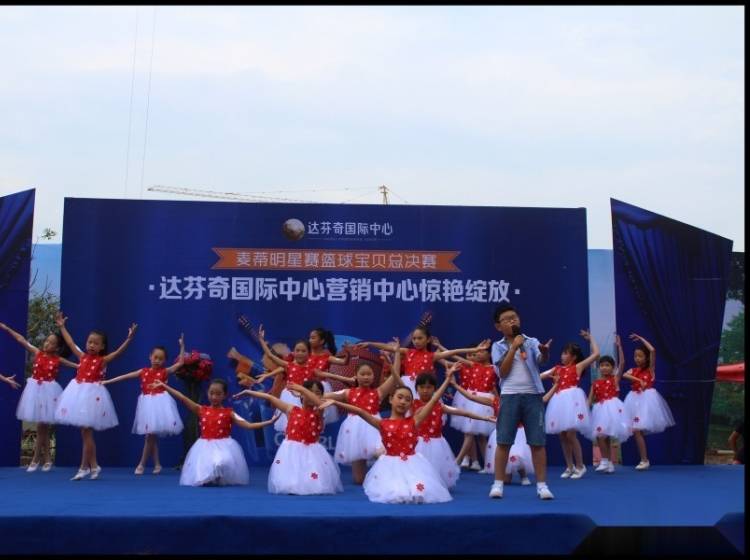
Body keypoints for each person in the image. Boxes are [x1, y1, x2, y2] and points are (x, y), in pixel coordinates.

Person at [321, 365, 455, 504]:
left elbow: (433, 400)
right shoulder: (382, 424)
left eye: (407, 399)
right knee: (396, 493)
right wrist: (336, 402)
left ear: (411, 404)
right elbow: (360, 411)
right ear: (391, 399)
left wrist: (447, 379)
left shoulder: (415, 421)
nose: (403, 402)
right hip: (389, 465)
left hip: (413, 464)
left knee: (419, 491)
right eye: (400, 397)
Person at [53, 312, 137, 481]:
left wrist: (129, 339)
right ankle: (93, 465)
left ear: (102, 347)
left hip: (93, 397)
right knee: (85, 433)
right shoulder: (82, 356)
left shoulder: (102, 360)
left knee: (87, 432)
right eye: (90, 342)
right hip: (78, 394)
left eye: (96, 343)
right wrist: (62, 327)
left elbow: (118, 353)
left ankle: (85, 467)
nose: (91, 345)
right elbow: (70, 342)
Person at [154, 378, 278, 486]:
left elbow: (248, 425)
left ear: (224, 395)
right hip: (204, 446)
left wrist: (268, 422)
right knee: (206, 467)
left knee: (221, 462)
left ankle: (216, 476)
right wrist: (164, 386)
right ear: (207, 393)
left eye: (218, 394)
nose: (214, 397)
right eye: (211, 393)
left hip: (224, 445)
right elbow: (182, 397)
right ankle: (208, 477)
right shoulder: (201, 410)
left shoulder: (229, 413)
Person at [489, 303, 554, 500]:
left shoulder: (531, 341)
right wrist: (513, 348)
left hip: (533, 396)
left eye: (514, 318)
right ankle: (498, 484)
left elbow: (541, 360)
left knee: (537, 442)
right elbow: (502, 372)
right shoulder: (497, 346)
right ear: (498, 326)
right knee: (504, 441)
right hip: (509, 396)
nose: (512, 321)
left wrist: (545, 352)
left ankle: (542, 486)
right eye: (507, 319)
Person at [235, 380, 343, 495]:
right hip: (291, 450)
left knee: (315, 483)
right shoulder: (291, 409)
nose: (313, 395)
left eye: (317, 393)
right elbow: (270, 398)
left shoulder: (319, 412)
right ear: (301, 396)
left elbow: (319, 403)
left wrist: (302, 389)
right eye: (311, 392)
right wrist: (249, 392)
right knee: (291, 481)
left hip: (312, 451)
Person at [318, 337, 401, 484]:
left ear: (373, 376)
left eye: (369, 374)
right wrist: (303, 392)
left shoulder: (379, 392)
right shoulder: (348, 393)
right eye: (363, 374)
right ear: (356, 376)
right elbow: (323, 396)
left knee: (382, 453)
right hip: (354, 430)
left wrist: (397, 354)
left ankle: (388, 476)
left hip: (374, 426)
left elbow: (395, 377)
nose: (366, 377)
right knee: (359, 480)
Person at [102, 334, 186, 474]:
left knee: (150, 436)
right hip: (147, 404)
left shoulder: (165, 372)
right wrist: (108, 381)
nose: (157, 360)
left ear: (165, 361)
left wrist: (182, 346)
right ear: (150, 357)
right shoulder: (143, 372)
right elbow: (125, 376)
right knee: (151, 435)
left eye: (161, 359)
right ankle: (157, 465)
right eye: (155, 357)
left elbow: (181, 363)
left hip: (160, 404)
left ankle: (141, 464)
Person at [0, 322, 78, 471]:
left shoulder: (58, 359)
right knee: (43, 427)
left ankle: (36, 459)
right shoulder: (37, 353)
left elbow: (77, 366)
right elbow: (21, 340)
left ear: (57, 348)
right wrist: (7, 328)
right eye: (47, 340)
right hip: (35, 391)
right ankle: (47, 459)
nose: (47, 344)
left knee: (42, 425)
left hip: (50, 393)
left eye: (52, 343)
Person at [412, 368, 495, 488]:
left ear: (434, 389)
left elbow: (463, 412)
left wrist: (484, 417)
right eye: (422, 387)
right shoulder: (412, 405)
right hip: (417, 443)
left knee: (435, 470)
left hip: (437, 444)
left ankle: (433, 486)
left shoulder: (439, 406)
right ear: (416, 388)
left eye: (429, 387)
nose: (425, 390)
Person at [356, 327, 490, 395]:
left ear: (428, 339)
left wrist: (475, 349)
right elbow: (388, 348)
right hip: (407, 386)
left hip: (424, 387)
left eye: (420, 338)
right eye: (414, 339)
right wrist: (370, 343)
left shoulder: (432, 356)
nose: (416, 341)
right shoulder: (408, 352)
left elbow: (453, 352)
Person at [540, 330, 600, 479]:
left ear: (573, 357)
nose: (562, 355)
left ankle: (580, 466)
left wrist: (590, 338)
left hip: (573, 402)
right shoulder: (557, 369)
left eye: (566, 353)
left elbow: (596, 354)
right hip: (559, 402)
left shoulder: (578, 367)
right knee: (562, 436)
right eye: (562, 353)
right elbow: (539, 376)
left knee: (571, 435)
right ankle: (569, 466)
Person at [622, 333, 675, 470]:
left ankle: (644, 460)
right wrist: (638, 380)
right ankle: (644, 459)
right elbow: (624, 375)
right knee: (636, 431)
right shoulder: (633, 370)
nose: (637, 358)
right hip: (634, 400)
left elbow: (652, 350)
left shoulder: (650, 370)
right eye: (635, 356)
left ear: (646, 358)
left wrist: (641, 339)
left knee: (637, 430)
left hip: (646, 401)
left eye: (640, 356)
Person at [446, 343, 498, 471]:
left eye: (482, 351)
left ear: (489, 354)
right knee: (471, 433)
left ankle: (485, 464)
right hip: (471, 400)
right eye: (477, 351)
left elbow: (494, 387)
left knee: (480, 437)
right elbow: (454, 356)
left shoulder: (495, 368)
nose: (478, 353)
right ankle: (483, 464)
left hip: (484, 402)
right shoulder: (473, 365)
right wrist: (440, 347)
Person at [253, 325, 315, 433]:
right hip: (289, 397)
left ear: (309, 353)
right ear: (293, 352)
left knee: (306, 427)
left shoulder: (313, 368)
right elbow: (271, 356)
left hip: (305, 398)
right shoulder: (288, 365)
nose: (300, 353)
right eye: (297, 350)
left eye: (303, 351)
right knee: (290, 426)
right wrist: (261, 340)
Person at [586, 334, 630, 474]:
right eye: (602, 365)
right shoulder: (595, 383)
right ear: (598, 368)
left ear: (612, 367)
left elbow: (622, 363)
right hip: (599, 410)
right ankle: (608, 462)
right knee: (601, 436)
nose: (604, 368)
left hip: (612, 409)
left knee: (605, 436)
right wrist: (583, 411)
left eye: (607, 365)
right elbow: (589, 399)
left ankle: (606, 461)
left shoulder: (615, 379)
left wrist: (619, 347)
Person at [307, 327, 352, 426]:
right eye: (310, 338)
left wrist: (348, 352)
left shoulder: (327, 357)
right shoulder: (305, 354)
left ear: (321, 341)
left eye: (313, 338)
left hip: (320, 388)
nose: (310, 340)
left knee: (319, 417)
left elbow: (344, 362)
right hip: (306, 387)